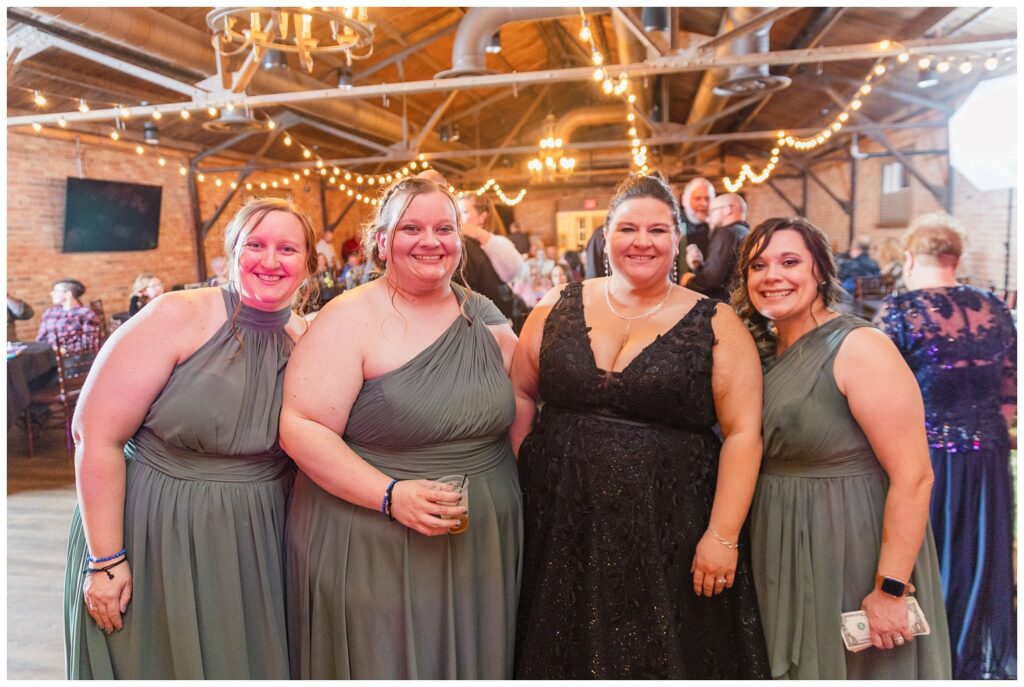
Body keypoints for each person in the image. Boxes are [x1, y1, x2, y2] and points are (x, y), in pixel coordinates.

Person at [511, 173, 769, 679]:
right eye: (628, 229)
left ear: (678, 240)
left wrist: (722, 535)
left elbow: (743, 433)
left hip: (668, 528)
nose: (642, 242)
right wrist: (531, 470)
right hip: (562, 521)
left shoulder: (715, 323)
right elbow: (521, 392)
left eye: (657, 230)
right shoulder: (554, 306)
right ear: (606, 237)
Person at [63, 197, 318, 679]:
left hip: (258, 539)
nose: (270, 260)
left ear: (307, 263)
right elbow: (94, 433)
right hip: (158, 530)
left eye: (287, 248)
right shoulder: (178, 315)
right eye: (255, 245)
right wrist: (105, 560)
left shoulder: (307, 340)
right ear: (231, 253)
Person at [280, 176, 522, 679]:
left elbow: (523, 404)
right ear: (383, 241)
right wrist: (389, 495)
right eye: (412, 228)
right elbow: (301, 427)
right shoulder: (349, 317)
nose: (431, 241)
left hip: (483, 543)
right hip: (375, 539)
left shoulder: (486, 317)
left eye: (444, 228)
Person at [733, 217, 951, 679]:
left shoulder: (859, 347)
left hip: (848, 541)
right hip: (777, 542)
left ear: (820, 272)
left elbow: (914, 476)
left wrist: (890, 588)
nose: (772, 275)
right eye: (758, 265)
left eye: (790, 262)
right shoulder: (761, 350)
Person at [875, 213, 1016, 679]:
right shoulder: (996, 307)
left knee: (927, 552)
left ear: (912, 257)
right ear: (955, 258)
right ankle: (969, 658)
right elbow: (1010, 391)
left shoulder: (899, 311)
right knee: (978, 554)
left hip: (926, 453)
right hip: (990, 452)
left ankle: (928, 661)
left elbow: (880, 393)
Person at [457, 194, 526, 321]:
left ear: (482, 217)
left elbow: (512, 272)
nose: (458, 217)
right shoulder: (458, 244)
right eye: (456, 212)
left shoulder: (499, 242)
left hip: (496, 317)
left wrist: (480, 234)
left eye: (464, 212)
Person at [681, 192, 750, 301]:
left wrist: (689, 281)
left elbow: (712, 280)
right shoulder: (744, 232)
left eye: (712, 212)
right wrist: (699, 266)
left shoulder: (727, 233)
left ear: (727, 210)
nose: (708, 218)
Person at [36, 279, 100, 349]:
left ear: (68, 294)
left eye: (56, 291)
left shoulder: (85, 313)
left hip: (73, 356)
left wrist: (64, 350)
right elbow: (40, 338)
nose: (52, 293)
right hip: (47, 354)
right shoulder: (50, 312)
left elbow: (89, 342)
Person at [676, 177, 715, 281]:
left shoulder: (718, 227)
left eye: (707, 198)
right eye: (697, 199)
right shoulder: (674, 225)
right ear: (684, 200)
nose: (704, 204)